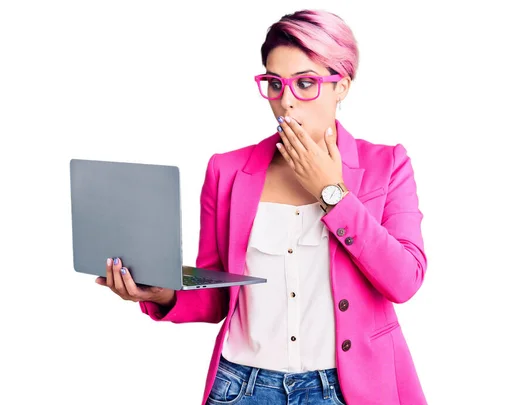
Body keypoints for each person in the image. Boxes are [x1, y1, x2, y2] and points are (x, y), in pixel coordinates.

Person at [96, 9, 428, 405]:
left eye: (306, 83)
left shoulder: (387, 165)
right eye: (274, 83)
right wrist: (160, 294)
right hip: (242, 388)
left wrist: (331, 191)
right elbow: (219, 295)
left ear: (343, 86)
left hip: (350, 389)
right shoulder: (228, 170)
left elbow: (404, 280)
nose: (285, 101)